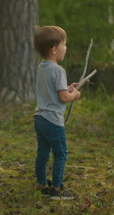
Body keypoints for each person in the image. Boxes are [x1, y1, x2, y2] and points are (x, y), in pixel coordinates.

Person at [33, 26, 81, 200]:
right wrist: (74, 95)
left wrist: (67, 88)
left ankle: (42, 183)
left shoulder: (41, 67)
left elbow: (53, 91)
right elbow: (63, 98)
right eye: (64, 44)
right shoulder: (59, 70)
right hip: (53, 120)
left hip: (40, 117)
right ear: (54, 50)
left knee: (43, 153)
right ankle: (57, 190)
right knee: (61, 153)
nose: (66, 48)